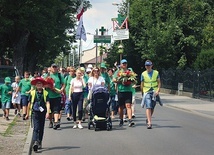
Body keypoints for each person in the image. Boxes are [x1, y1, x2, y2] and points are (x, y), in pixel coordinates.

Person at [25, 77, 50, 152]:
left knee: (41, 128)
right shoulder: (32, 92)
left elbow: (48, 103)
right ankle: (35, 142)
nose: (39, 85)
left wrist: (48, 112)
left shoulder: (45, 93)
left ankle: (39, 141)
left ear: (42, 85)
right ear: (35, 85)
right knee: (36, 128)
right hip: (35, 112)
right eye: (38, 83)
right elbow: (29, 103)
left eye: (40, 83)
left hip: (43, 112)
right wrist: (27, 113)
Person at [113, 59, 135, 127]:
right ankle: (121, 119)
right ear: (121, 65)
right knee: (121, 107)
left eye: (125, 63)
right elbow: (114, 79)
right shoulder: (118, 72)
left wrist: (130, 81)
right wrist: (120, 81)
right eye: (123, 63)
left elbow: (134, 79)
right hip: (121, 91)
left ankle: (130, 120)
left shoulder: (130, 71)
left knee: (128, 105)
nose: (124, 64)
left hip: (128, 90)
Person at [140, 60, 161, 129]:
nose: (148, 67)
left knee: (152, 106)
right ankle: (149, 122)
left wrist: (158, 90)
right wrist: (142, 93)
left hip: (154, 91)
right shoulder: (143, 74)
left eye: (149, 65)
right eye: (146, 65)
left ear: (151, 66)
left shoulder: (156, 73)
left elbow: (159, 82)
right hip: (147, 91)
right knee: (148, 106)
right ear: (145, 66)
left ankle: (148, 118)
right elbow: (142, 84)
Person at [45, 64, 65, 130]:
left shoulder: (59, 75)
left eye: (55, 67)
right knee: (50, 110)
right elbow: (43, 84)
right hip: (49, 95)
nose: (54, 68)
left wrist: (61, 90)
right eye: (53, 67)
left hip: (57, 95)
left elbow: (63, 84)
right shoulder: (47, 75)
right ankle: (51, 121)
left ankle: (56, 122)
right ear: (50, 68)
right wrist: (48, 86)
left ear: (57, 68)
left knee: (56, 109)